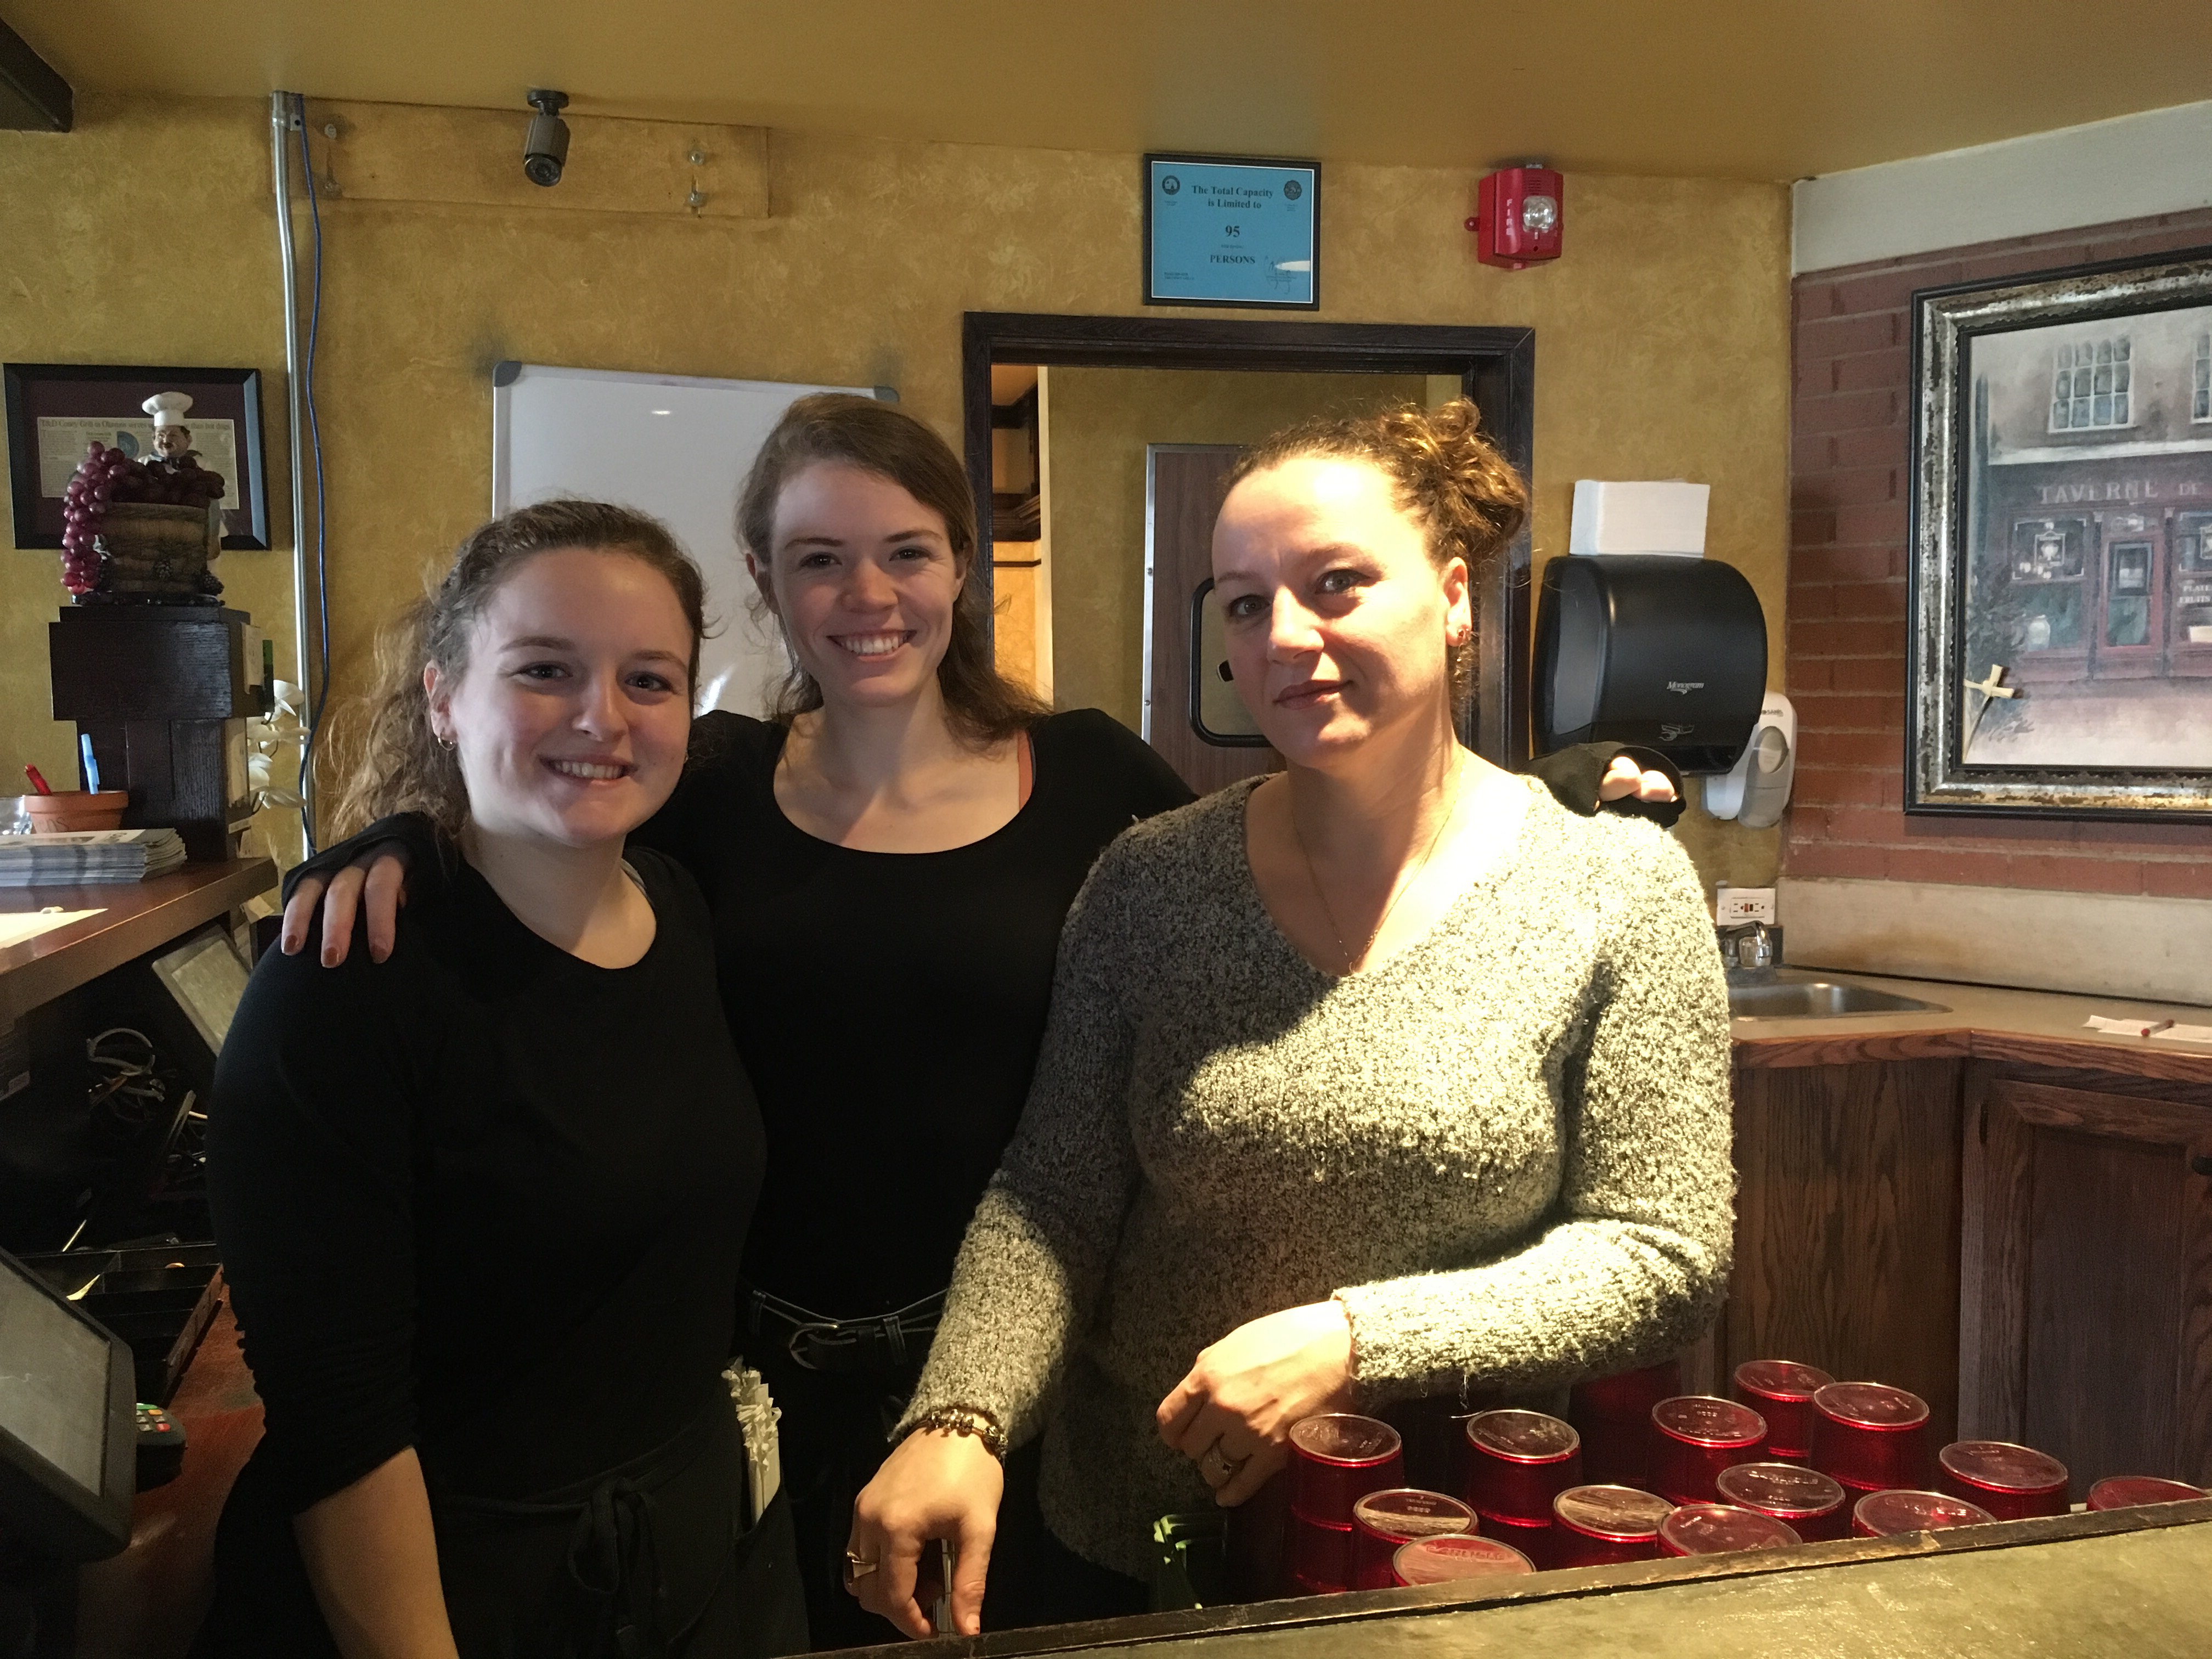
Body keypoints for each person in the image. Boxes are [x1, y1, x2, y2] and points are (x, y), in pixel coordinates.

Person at [279, 395, 1680, 1648]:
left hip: (1093, 1403)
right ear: (765, 585)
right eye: (817, 558)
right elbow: (555, 801)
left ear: (961, 567)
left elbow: (1375, 807)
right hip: (764, 1396)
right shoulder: (705, 782)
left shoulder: (1091, 789)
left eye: (905, 550)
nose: (866, 593)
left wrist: (1556, 788)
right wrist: (404, 836)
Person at [845, 402, 1735, 1639]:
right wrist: (962, 1416)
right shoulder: (1151, 881)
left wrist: (1356, 1344)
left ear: (1456, 595)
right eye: (1248, 604)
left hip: (1450, 1545)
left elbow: (1663, 1251)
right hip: (1139, 1544)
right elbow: (1055, 1195)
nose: (1289, 639)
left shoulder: (1615, 889)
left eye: (1338, 585)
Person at [206, 502, 803, 1657]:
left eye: (649, 679)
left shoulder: (683, 906)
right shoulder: (344, 984)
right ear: (443, 694)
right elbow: (344, 1430)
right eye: (544, 671)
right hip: (453, 1593)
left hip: (685, 1564)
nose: (602, 718)